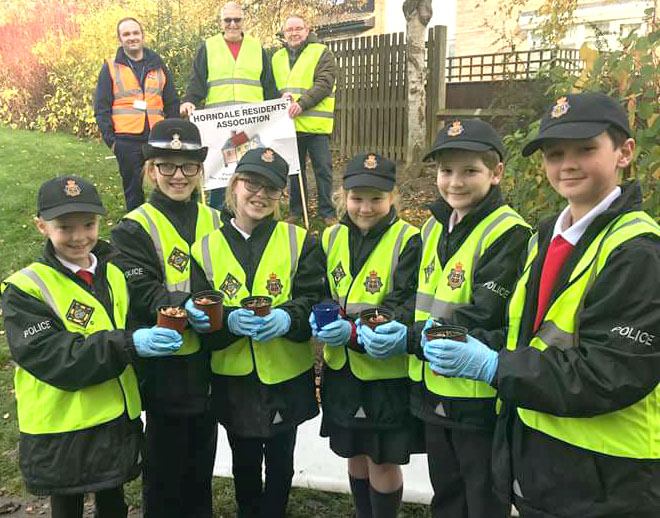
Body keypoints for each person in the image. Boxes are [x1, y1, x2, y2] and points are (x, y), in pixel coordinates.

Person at [425, 92, 660, 518]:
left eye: (585, 149)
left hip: (609, 477)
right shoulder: (547, 236)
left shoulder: (638, 251)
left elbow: (611, 371)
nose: (566, 164)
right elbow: (530, 338)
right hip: (544, 455)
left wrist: (493, 366)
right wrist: (471, 343)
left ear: (624, 152)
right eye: (554, 154)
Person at [1, 175, 182, 518]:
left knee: (113, 500)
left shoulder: (112, 273)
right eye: (64, 227)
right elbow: (52, 355)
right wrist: (131, 342)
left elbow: (124, 322)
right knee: (66, 505)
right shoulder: (27, 288)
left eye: (88, 224)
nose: (79, 237)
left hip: (113, 418)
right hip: (61, 429)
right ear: (41, 226)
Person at [189, 147, 324, 518]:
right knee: (244, 460)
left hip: (286, 374)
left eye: (271, 188)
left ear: (282, 195)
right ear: (235, 185)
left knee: (281, 460)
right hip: (235, 378)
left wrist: (288, 318)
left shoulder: (301, 241)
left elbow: (314, 297)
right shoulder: (204, 248)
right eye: (252, 183)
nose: (260, 195)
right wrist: (227, 319)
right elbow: (201, 312)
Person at [410, 119, 531, 518]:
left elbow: (486, 312)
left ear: (496, 174)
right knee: (445, 492)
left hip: (477, 396)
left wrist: (412, 338)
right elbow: (416, 295)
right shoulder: (433, 226)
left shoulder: (508, 232)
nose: (455, 183)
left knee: (482, 498)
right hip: (434, 386)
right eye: (446, 171)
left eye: (470, 171)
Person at [111, 119, 222, 518]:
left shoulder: (217, 219)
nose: (178, 175)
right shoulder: (133, 226)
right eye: (167, 165)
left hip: (211, 358)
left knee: (201, 465)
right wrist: (181, 303)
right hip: (165, 363)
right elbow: (138, 287)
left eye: (188, 166)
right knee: (163, 470)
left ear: (200, 170)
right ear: (151, 170)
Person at [311, 153, 421, 517]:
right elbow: (321, 288)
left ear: (393, 198)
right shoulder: (330, 237)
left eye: (377, 198)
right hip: (341, 369)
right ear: (343, 196)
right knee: (353, 452)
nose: (366, 207)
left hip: (383, 373)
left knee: (382, 460)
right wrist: (321, 315)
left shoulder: (409, 239)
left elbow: (403, 300)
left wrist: (355, 332)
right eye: (357, 198)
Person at [180, 2, 276, 209]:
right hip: (219, 124)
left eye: (237, 20)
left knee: (250, 170)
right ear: (220, 23)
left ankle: (249, 211)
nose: (233, 24)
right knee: (219, 171)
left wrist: (280, 107)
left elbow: (268, 84)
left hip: (252, 124)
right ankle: (218, 215)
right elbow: (197, 80)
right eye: (228, 20)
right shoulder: (208, 47)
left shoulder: (256, 47)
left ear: (244, 21)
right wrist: (190, 100)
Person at [95, 17, 180, 211]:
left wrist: (174, 134)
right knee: (133, 191)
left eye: (135, 33)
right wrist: (112, 141)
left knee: (166, 184)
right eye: (126, 34)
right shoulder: (110, 67)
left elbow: (172, 102)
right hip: (126, 140)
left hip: (157, 137)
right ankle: (136, 230)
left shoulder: (158, 65)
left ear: (142, 36)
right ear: (119, 39)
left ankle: (167, 221)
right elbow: (101, 107)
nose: (132, 37)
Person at [272, 14, 337, 225]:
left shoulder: (322, 53)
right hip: (289, 127)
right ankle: (297, 211)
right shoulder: (276, 58)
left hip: (316, 126)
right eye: (289, 29)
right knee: (294, 172)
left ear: (307, 30)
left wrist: (301, 103)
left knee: (323, 170)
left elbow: (324, 83)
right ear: (284, 32)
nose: (294, 33)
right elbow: (272, 88)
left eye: (298, 28)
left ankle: (327, 212)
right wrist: (278, 99)